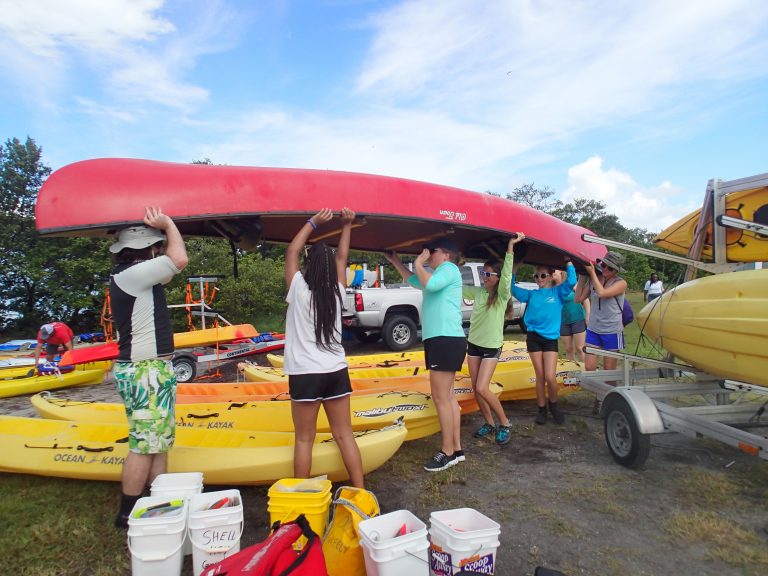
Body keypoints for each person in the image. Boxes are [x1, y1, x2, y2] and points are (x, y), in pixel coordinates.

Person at [110, 207, 188, 529]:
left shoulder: (138, 274)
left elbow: (171, 265)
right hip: (145, 372)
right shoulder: (131, 274)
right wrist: (169, 222)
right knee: (144, 447)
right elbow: (179, 259)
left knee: (159, 443)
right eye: (156, 246)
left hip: (152, 370)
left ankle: (156, 503)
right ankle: (127, 515)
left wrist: (165, 234)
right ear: (146, 250)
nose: (161, 250)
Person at [283, 208, 364, 488]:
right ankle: (361, 491)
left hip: (305, 374)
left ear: (309, 266)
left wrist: (313, 223)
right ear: (330, 268)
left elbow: (291, 252)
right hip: (335, 371)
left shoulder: (298, 290)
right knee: (345, 435)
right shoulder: (337, 292)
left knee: (304, 439)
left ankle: (301, 500)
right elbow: (342, 258)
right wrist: (347, 225)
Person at [384, 237, 466, 472]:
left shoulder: (448, 269)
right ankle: (457, 450)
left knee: (441, 398)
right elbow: (414, 281)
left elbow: (428, 284)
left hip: (444, 338)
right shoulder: (439, 275)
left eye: (433, 251)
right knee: (448, 398)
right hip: (444, 338)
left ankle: (447, 452)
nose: (429, 254)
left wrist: (419, 261)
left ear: (446, 255)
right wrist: (395, 260)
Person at [462, 236, 520, 445]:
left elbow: (506, 276)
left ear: (496, 277)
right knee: (476, 388)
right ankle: (489, 423)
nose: (483, 277)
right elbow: (455, 286)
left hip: (491, 347)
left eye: (487, 274)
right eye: (482, 273)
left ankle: (504, 423)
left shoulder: (502, 295)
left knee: (482, 388)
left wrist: (510, 248)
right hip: (474, 345)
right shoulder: (478, 292)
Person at [511, 246, 576, 425]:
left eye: (542, 275)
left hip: (549, 340)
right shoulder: (531, 295)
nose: (539, 279)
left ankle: (554, 406)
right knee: (540, 375)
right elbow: (512, 289)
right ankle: (541, 410)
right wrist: (515, 269)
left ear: (550, 276)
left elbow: (571, 281)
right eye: (536, 276)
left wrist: (568, 261)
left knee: (550, 376)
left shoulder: (558, 292)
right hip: (533, 338)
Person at [575, 251, 628, 412]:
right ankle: (600, 396)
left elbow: (603, 293)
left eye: (609, 268)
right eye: (603, 265)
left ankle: (608, 401)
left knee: (609, 371)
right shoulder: (594, 279)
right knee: (590, 367)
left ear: (616, 271)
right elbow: (578, 299)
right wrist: (583, 276)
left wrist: (592, 274)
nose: (605, 269)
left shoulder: (621, 283)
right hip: (594, 329)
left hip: (612, 330)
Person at [558, 273, 589, 363]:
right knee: (568, 349)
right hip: (563, 322)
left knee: (580, 348)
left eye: (555, 271)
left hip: (577, 319)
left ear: (561, 274)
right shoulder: (552, 288)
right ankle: (572, 372)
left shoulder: (571, 284)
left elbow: (585, 299)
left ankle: (585, 372)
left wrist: (588, 314)